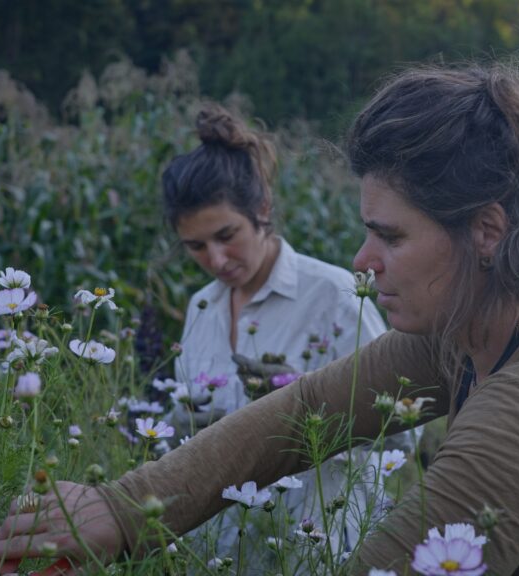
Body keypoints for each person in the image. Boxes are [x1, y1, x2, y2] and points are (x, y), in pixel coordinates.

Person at [0, 62, 519, 575]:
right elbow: (306, 408)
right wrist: (122, 508)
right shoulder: (503, 311)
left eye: (391, 237)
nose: (362, 261)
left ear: (487, 231)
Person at [152, 103, 398, 561]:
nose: (216, 260)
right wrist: (183, 424)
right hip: (221, 551)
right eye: (196, 246)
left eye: (227, 235)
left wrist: (305, 403)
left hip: (314, 547)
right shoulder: (202, 306)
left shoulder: (336, 296)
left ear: (262, 209)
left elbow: (401, 430)